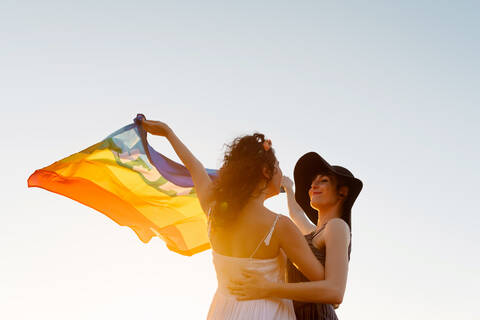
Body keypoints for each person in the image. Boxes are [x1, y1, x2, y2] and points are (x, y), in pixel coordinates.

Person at [140, 118, 326, 320]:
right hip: (267, 314)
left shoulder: (213, 211)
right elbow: (323, 283)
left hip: (223, 313)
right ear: (265, 171)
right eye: (278, 166)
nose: (281, 173)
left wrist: (168, 133)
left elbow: (195, 168)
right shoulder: (279, 226)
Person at [228, 152, 363, 320]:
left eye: (323, 181)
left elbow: (335, 291)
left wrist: (268, 288)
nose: (314, 185)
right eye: (312, 182)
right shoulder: (314, 233)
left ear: (342, 192)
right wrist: (288, 188)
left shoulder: (336, 227)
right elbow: (296, 214)